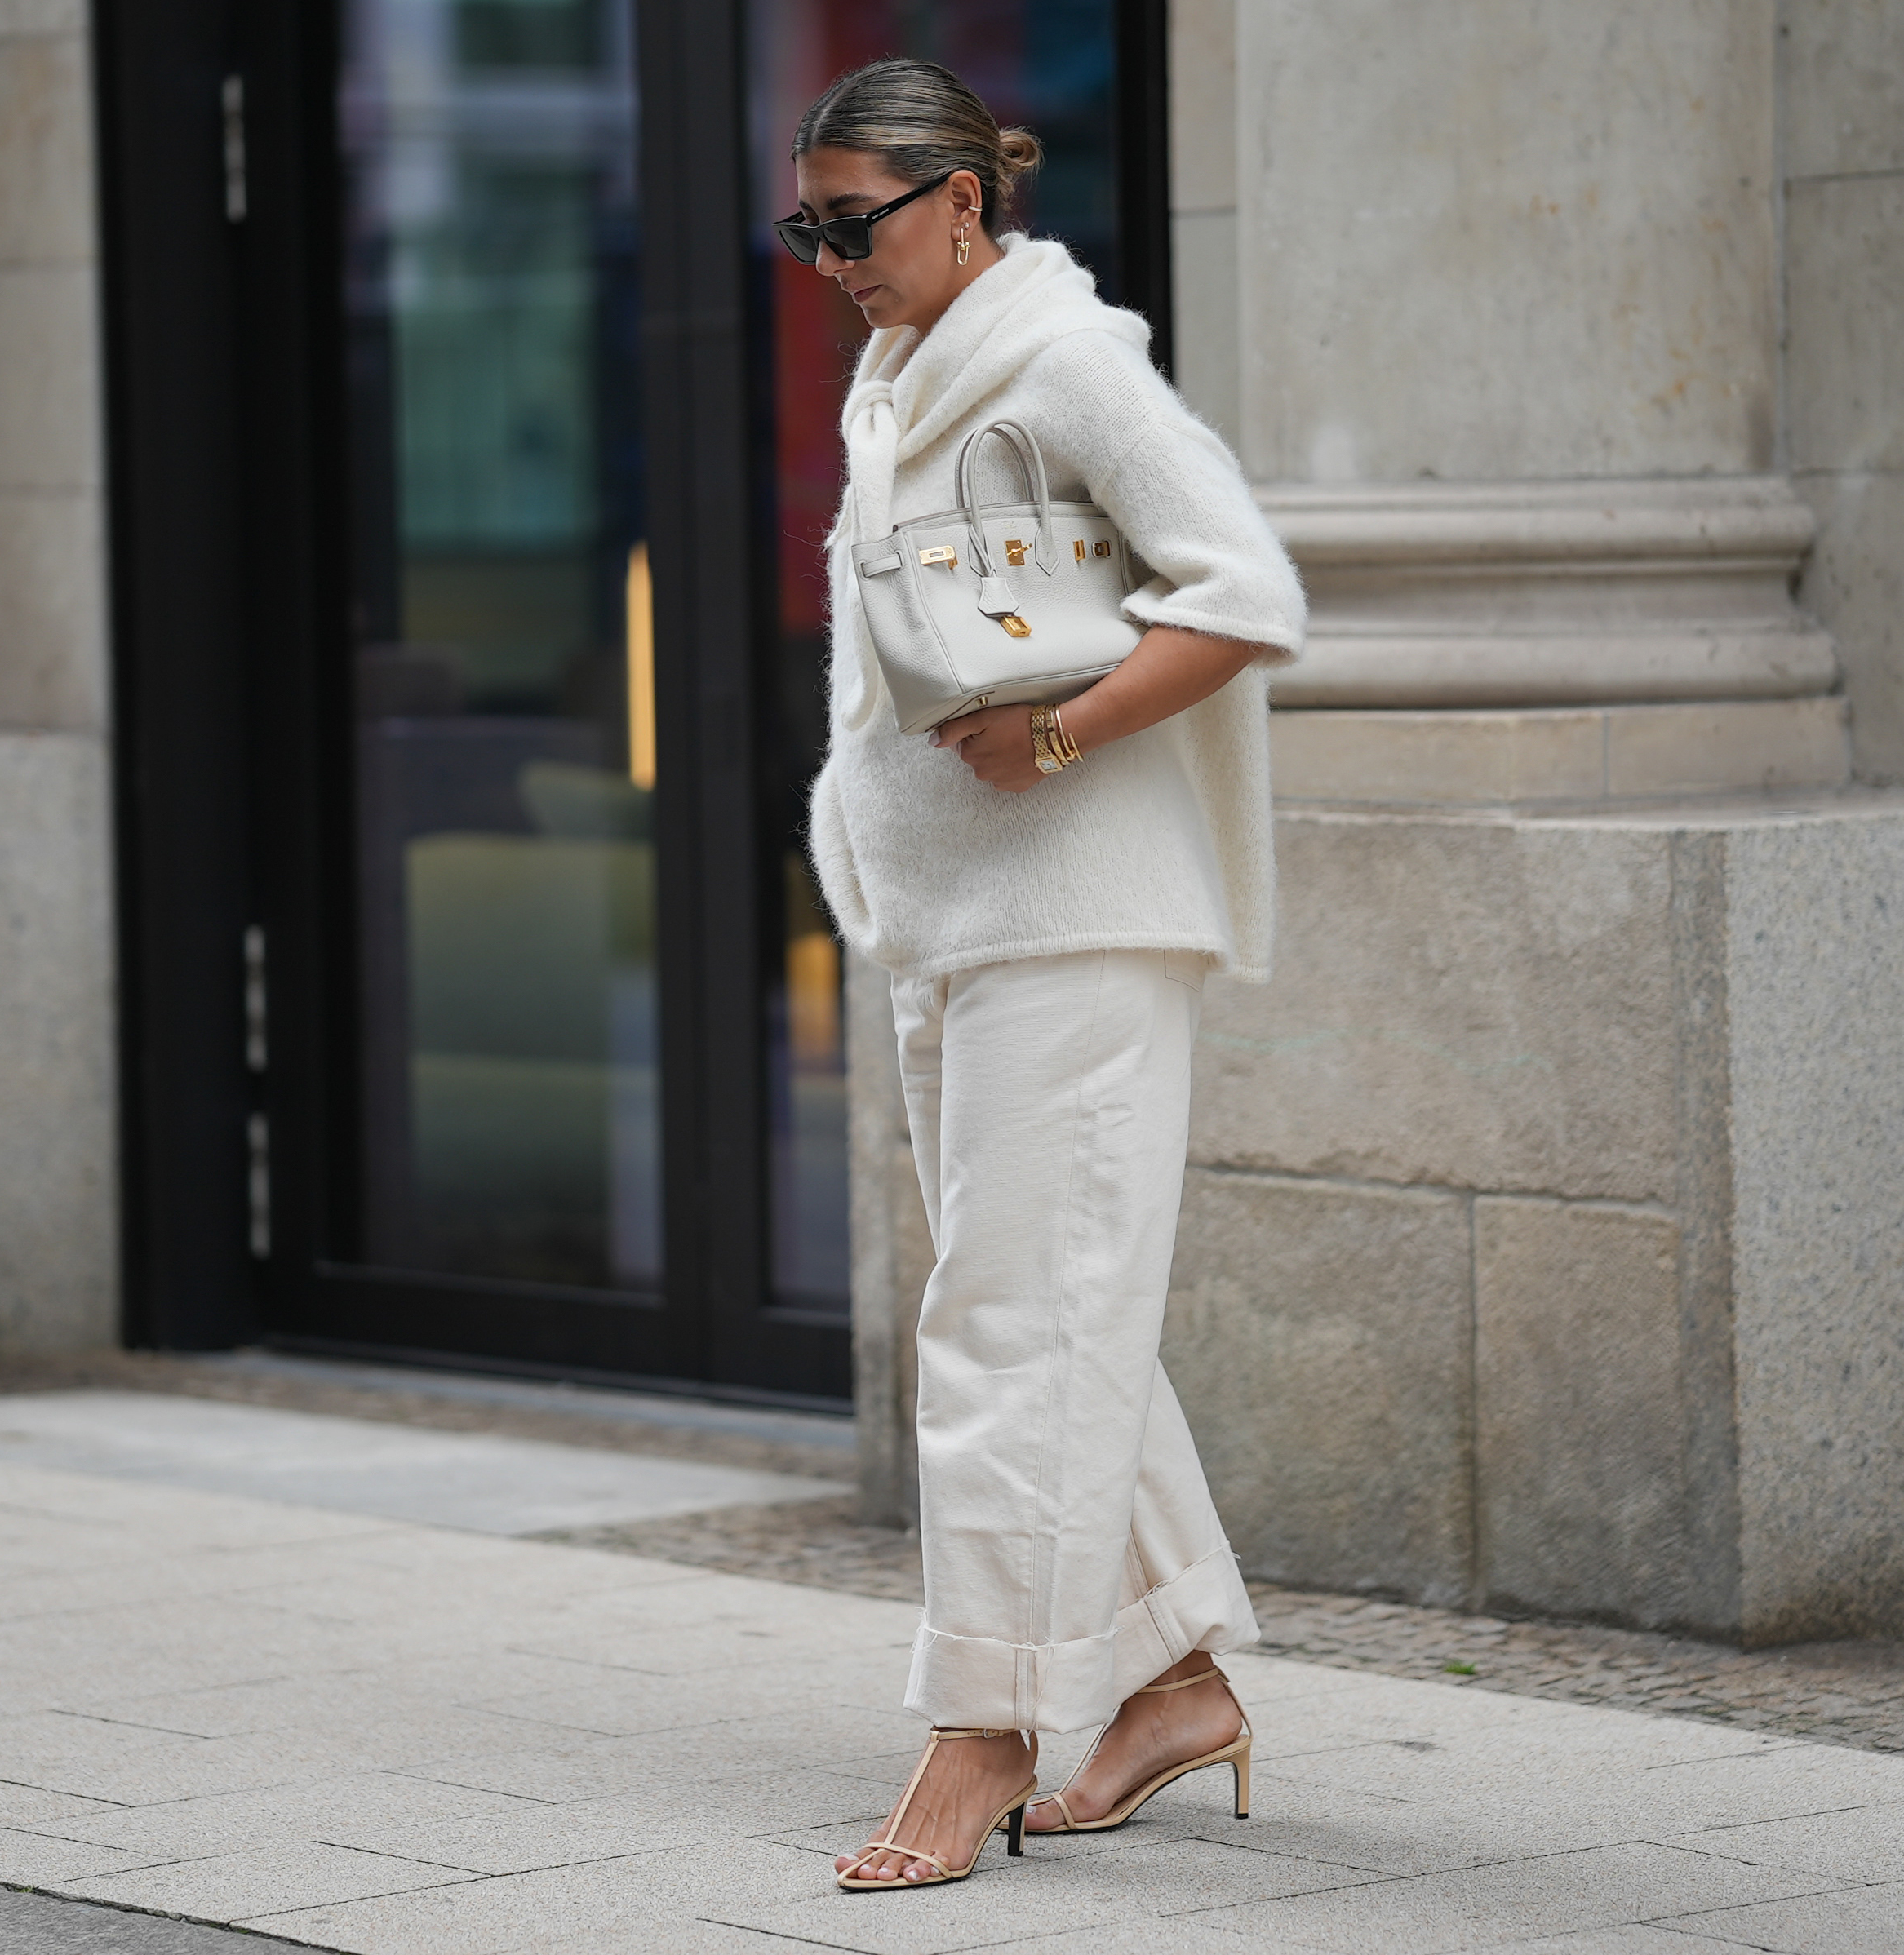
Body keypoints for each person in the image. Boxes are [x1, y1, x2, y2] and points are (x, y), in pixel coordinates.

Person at [778, 57, 1307, 1893]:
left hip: (1073, 912)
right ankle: (1170, 1685)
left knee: (1007, 1324)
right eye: (808, 229)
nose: (834, 259)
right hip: (951, 916)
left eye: (857, 222)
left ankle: (986, 1723)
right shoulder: (902, 376)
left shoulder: (1067, 363)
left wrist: (1063, 733)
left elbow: (1240, 593)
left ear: (959, 201)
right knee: (1050, 1306)